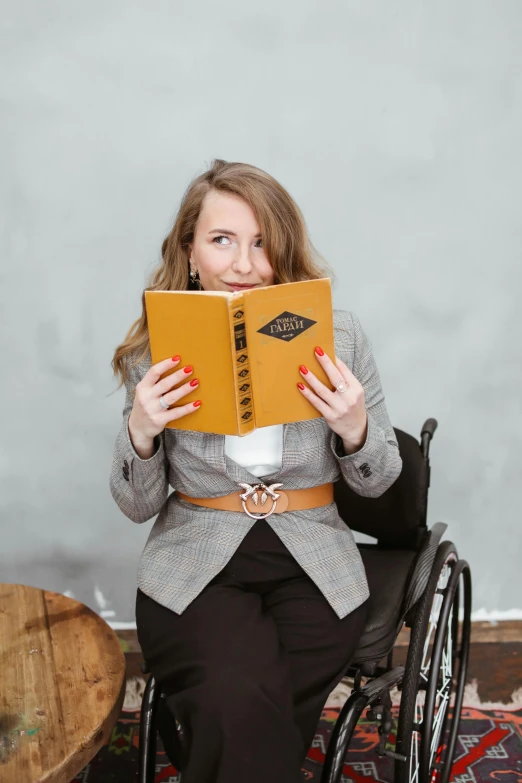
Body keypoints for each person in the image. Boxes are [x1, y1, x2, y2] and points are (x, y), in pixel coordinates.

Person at [110, 159, 402, 783]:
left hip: (313, 560)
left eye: (262, 243)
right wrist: (141, 432)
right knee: (236, 695)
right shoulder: (153, 351)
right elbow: (137, 505)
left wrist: (355, 430)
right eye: (222, 240)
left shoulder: (340, 337)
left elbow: (379, 484)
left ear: (283, 252)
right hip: (196, 561)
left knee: (241, 709)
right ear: (190, 254)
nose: (244, 264)